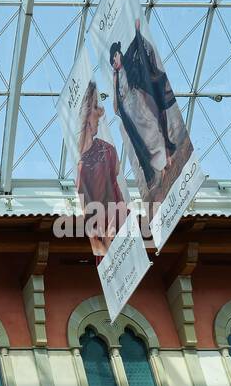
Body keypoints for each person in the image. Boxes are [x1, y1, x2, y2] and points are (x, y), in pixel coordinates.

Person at [110, 19, 178, 191]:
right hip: (131, 114)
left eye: (115, 57)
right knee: (146, 141)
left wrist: (137, 31)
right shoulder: (116, 80)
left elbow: (135, 46)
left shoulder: (128, 62)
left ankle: (165, 161)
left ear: (119, 54)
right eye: (112, 61)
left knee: (153, 128)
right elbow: (116, 108)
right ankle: (161, 166)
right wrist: (114, 80)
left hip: (140, 103)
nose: (115, 61)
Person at [74, 81, 128, 255]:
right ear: (87, 113)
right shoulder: (103, 152)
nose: (101, 112)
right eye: (96, 106)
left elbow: (116, 171)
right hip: (110, 226)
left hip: (111, 224)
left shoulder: (105, 150)